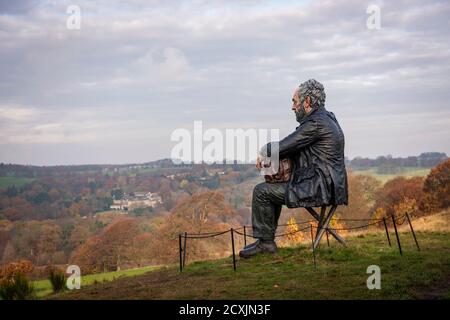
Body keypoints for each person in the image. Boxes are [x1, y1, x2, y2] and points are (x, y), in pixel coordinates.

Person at [239, 79, 348, 259]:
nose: (292, 107)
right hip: (331, 186)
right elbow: (296, 148)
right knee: (269, 190)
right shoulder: (327, 118)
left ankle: (266, 244)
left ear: (306, 102)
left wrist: (263, 151)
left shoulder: (316, 123)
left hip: (319, 187)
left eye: (294, 101)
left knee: (261, 192)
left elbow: (288, 144)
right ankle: (265, 242)